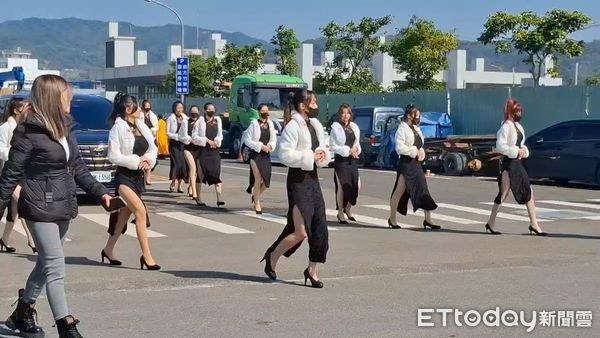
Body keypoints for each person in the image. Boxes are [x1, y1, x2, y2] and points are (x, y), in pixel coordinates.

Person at [0, 74, 111, 338]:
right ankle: (66, 326)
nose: (70, 99)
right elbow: (10, 175)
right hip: (38, 206)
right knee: (55, 267)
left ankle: (22, 312)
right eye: (66, 95)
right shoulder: (27, 132)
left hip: (64, 205)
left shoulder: (65, 128)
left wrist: (101, 193)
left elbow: (78, 167)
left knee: (46, 263)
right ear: (52, 98)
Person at [262, 89, 330, 288]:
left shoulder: (314, 125)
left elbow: (324, 147)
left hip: (313, 179)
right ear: (303, 106)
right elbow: (284, 155)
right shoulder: (293, 125)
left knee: (320, 228)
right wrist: (308, 157)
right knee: (300, 231)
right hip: (298, 181)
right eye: (314, 102)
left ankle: (311, 271)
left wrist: (322, 155)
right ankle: (272, 256)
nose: (316, 105)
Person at [102, 94, 160, 270]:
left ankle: (108, 249)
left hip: (138, 177)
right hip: (124, 178)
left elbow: (153, 147)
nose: (141, 110)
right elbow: (113, 156)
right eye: (138, 107)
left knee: (123, 217)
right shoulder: (117, 128)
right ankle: (147, 257)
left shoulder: (141, 125)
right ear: (128, 109)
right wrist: (136, 161)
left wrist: (148, 160)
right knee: (141, 212)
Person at [485, 99, 546, 236]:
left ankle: (534, 224)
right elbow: (500, 146)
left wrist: (523, 150)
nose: (519, 113)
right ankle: (490, 223)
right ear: (511, 112)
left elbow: (521, 143)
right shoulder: (505, 127)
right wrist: (515, 151)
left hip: (518, 163)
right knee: (503, 194)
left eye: (520, 111)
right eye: (517, 111)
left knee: (528, 191)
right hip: (509, 164)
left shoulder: (518, 126)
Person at [388, 104, 441, 230]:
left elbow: (419, 144)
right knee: (399, 192)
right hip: (406, 165)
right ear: (409, 115)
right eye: (416, 115)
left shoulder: (416, 128)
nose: (418, 118)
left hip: (416, 164)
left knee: (423, 190)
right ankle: (392, 218)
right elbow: (399, 148)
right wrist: (413, 150)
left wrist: (421, 152)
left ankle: (428, 219)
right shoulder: (402, 128)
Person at [0, 97, 36, 253]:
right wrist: (17, 155)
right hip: (9, 172)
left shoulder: (26, 128)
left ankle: (4, 240)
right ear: (16, 110)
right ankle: (32, 239)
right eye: (25, 107)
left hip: (22, 172)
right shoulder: (5, 127)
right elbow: (1, 149)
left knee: (13, 210)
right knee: (23, 201)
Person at [242, 104, 277, 214]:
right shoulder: (254, 124)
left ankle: (255, 195)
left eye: (267, 111)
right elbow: (247, 140)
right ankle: (257, 203)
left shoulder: (270, 124)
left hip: (266, 155)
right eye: (263, 111)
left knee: (266, 182)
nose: (265, 113)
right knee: (258, 178)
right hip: (255, 154)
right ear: (258, 112)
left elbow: (273, 139)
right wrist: (260, 146)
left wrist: (270, 146)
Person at [329, 103, 361, 224]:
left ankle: (348, 208)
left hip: (352, 160)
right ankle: (340, 212)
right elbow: (333, 146)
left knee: (356, 184)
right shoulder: (335, 128)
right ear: (339, 115)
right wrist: (347, 151)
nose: (345, 115)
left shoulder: (353, 127)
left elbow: (357, 143)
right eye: (343, 113)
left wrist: (356, 150)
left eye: (347, 113)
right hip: (341, 161)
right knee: (342, 187)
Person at [194, 103, 225, 207]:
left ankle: (219, 198)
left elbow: (220, 134)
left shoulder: (217, 120)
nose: (211, 111)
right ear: (205, 110)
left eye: (213, 109)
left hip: (214, 151)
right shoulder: (200, 121)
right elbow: (195, 136)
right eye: (209, 110)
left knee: (216, 173)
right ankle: (198, 197)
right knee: (200, 174)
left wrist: (217, 141)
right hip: (203, 150)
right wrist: (207, 141)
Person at [179, 105, 203, 203]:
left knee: (196, 171)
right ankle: (194, 192)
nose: (194, 114)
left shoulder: (201, 122)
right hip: (188, 148)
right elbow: (182, 135)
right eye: (192, 112)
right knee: (192, 168)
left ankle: (190, 187)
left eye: (195, 112)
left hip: (198, 148)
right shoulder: (185, 122)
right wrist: (189, 140)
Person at [166, 101, 188, 192]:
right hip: (174, 143)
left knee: (183, 164)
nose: (179, 110)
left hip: (183, 144)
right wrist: (176, 136)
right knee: (176, 163)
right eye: (178, 108)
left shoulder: (185, 118)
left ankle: (180, 185)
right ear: (174, 108)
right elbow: (167, 133)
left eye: (181, 108)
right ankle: (173, 182)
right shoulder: (171, 118)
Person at [139, 99, 158, 186]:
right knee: (143, 158)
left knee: (151, 158)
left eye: (148, 107)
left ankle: (147, 178)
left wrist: (152, 130)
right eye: (146, 106)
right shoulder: (140, 115)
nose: (147, 108)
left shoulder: (153, 116)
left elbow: (156, 127)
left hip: (151, 139)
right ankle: (142, 177)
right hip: (142, 139)